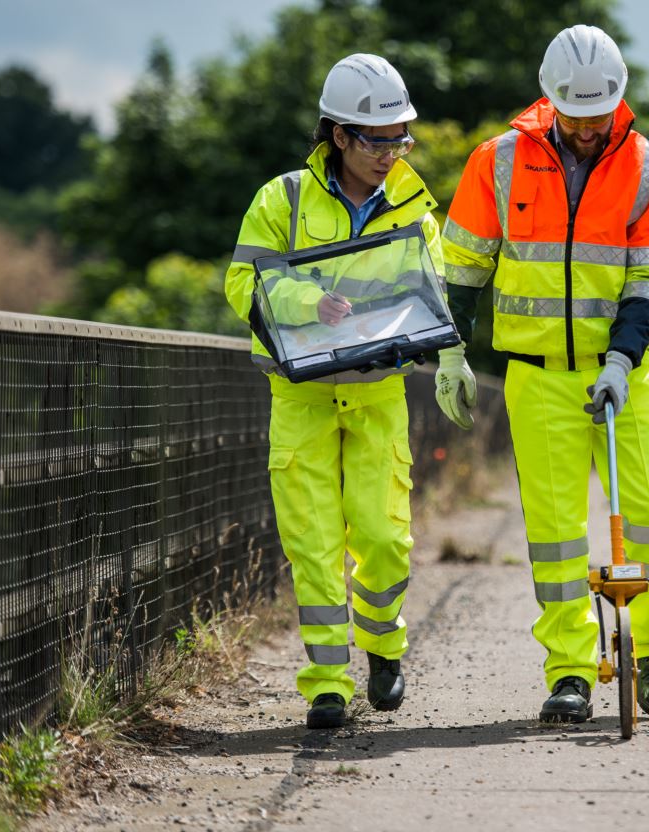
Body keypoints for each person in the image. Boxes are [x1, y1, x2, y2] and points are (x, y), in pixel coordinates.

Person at [435, 24, 649, 723]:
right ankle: (571, 671)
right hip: (537, 376)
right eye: (573, 114)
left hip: (625, 373)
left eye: (598, 113)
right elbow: (460, 271)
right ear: (549, 102)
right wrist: (449, 351)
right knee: (555, 533)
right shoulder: (497, 161)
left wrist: (619, 359)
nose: (585, 127)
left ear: (619, 100)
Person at [224, 54, 443, 730]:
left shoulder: (415, 208)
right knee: (313, 544)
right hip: (302, 398)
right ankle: (325, 684)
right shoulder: (280, 200)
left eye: (400, 137)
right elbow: (243, 285)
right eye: (378, 139)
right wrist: (306, 302)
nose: (391, 153)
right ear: (339, 136)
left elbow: (429, 293)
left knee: (382, 537)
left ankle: (382, 647)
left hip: (378, 394)